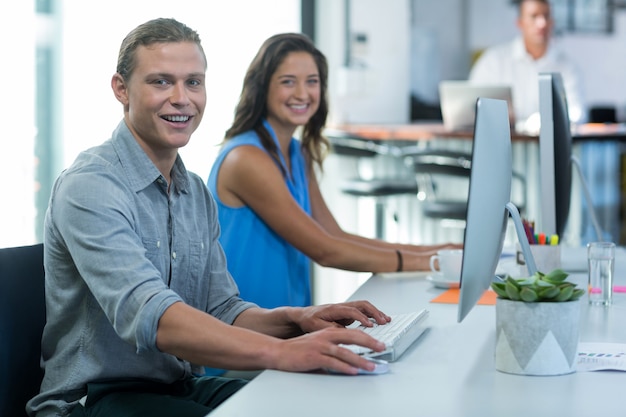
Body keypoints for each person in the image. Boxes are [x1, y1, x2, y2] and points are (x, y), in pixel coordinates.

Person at [27, 18, 393, 417]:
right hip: (92, 399)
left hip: (177, 386)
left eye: (194, 82)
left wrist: (297, 320)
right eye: (161, 82)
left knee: (318, 401)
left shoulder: (194, 191)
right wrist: (282, 352)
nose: (182, 98)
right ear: (121, 89)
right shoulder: (91, 187)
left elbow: (222, 309)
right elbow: (154, 319)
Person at [207, 33, 460, 309]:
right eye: (287, 82)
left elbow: (334, 235)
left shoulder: (297, 152)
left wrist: (436, 251)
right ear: (262, 87)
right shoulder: (245, 158)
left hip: (286, 325)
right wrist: (427, 262)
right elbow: (325, 250)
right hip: (245, 330)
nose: (302, 94)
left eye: (312, 82)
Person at [468, 0, 586, 129]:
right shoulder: (494, 61)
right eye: (534, 16)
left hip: (548, 144)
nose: (542, 23)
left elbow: (576, 113)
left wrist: (542, 121)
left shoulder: (567, 67)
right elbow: (471, 104)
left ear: (552, 22)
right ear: (520, 22)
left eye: (546, 16)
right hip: (501, 141)